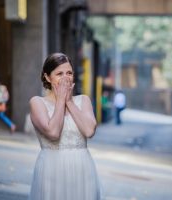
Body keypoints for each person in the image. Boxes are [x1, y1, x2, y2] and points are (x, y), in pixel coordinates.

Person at [29, 53, 101, 200]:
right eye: (59, 74)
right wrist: (61, 100)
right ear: (48, 77)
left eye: (69, 73)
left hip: (83, 171)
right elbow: (54, 132)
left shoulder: (83, 100)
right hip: (52, 170)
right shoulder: (37, 103)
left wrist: (69, 102)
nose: (65, 78)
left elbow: (89, 131)